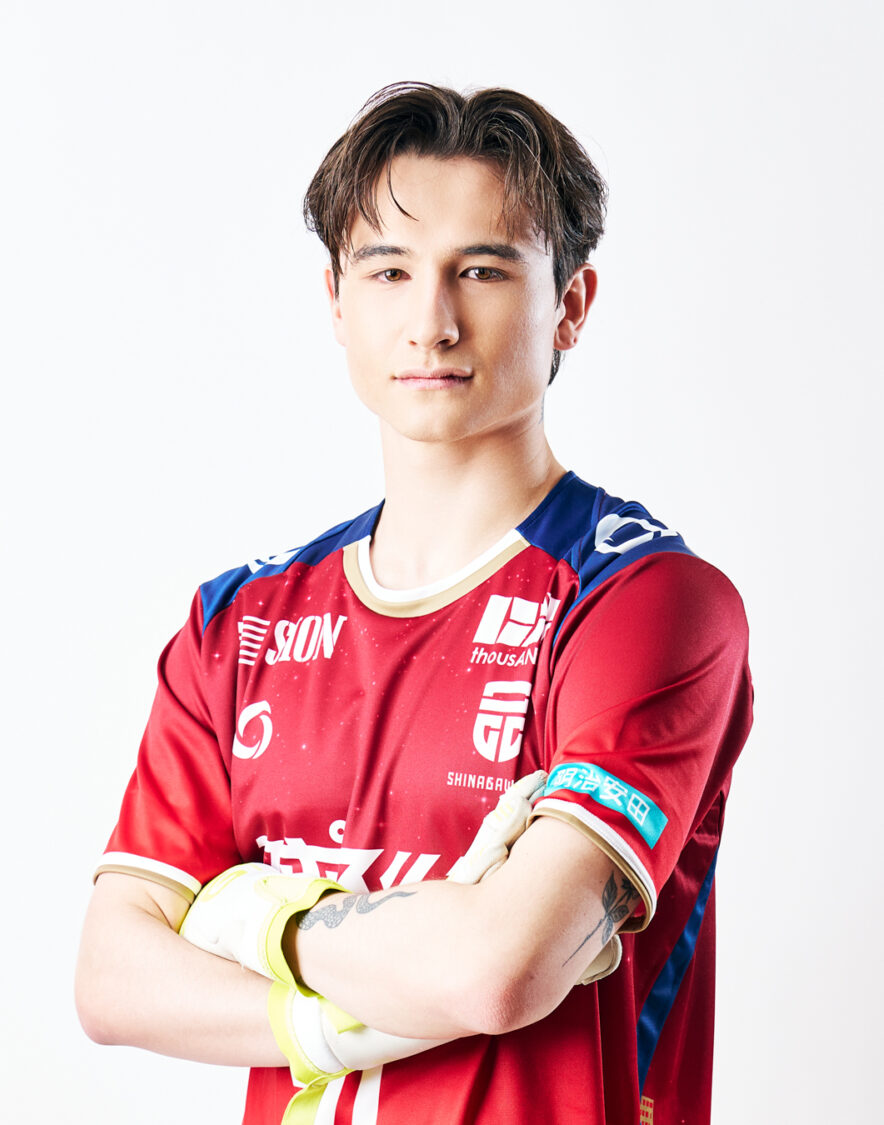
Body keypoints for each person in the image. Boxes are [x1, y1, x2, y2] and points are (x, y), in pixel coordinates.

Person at [76, 82, 753, 1125]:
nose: (430, 322)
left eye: (481, 270)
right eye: (388, 271)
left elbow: (499, 971)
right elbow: (113, 979)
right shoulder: (238, 622)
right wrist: (328, 1021)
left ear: (571, 304)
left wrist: (249, 914)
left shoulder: (645, 602)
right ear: (337, 303)